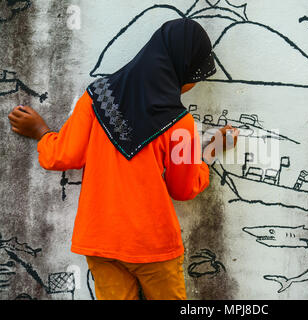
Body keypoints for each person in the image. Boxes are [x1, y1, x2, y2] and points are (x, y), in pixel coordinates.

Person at [7, 18, 239, 300]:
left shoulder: (97, 97)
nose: (192, 82)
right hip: (154, 248)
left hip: (100, 243)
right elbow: (183, 188)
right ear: (180, 66)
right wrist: (208, 151)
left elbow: (64, 155)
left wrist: (42, 132)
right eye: (194, 73)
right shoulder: (180, 123)